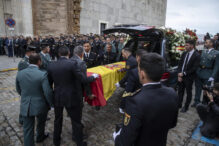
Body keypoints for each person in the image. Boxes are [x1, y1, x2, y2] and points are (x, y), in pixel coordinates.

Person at [113, 53, 179, 146]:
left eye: (139, 70)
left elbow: (125, 141)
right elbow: (172, 124)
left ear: (142, 74)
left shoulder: (135, 101)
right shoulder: (172, 93)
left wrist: (116, 137)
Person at [47, 46, 88, 146]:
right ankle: (79, 142)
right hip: (71, 96)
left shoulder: (51, 65)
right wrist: (93, 77)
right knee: (76, 121)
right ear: (69, 53)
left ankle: (56, 141)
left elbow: (49, 83)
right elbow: (82, 78)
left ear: (58, 54)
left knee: (57, 120)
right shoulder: (72, 64)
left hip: (58, 96)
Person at [16, 53, 53, 146]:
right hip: (40, 104)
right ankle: (40, 137)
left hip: (26, 105)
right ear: (39, 62)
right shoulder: (42, 74)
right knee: (41, 123)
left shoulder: (20, 73)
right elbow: (47, 92)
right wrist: (51, 104)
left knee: (27, 129)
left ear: (29, 61)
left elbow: (18, 89)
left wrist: (26, 97)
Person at [119, 49, 147, 113]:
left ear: (138, 57)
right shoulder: (132, 59)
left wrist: (120, 82)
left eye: (123, 54)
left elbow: (127, 90)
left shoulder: (130, 61)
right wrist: (123, 69)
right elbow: (128, 67)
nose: (122, 55)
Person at [193, 39, 219, 107]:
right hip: (200, 72)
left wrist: (213, 76)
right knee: (197, 88)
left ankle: (205, 103)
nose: (205, 43)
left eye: (206, 42)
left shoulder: (216, 53)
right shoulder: (204, 51)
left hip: (208, 73)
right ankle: (196, 101)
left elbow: (217, 66)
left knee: (206, 90)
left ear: (211, 44)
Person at [177, 40, 201, 112]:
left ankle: (186, 107)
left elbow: (194, 68)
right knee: (180, 91)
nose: (185, 46)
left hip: (189, 77)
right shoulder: (184, 53)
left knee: (188, 92)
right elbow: (180, 64)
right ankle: (179, 104)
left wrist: (184, 73)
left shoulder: (197, 55)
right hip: (181, 76)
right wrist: (179, 74)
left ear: (192, 46)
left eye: (187, 45)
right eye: (185, 45)